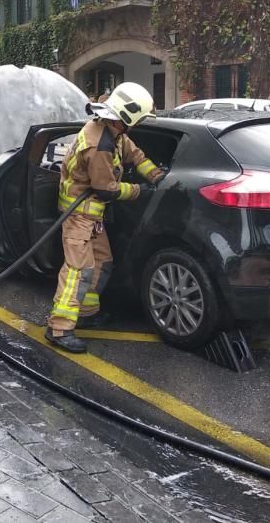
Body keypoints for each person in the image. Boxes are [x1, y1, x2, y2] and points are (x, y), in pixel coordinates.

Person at [47, 82, 166, 353]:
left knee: (102, 263)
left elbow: (135, 155)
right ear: (127, 117)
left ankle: (87, 312)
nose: (136, 126)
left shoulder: (114, 133)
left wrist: (157, 176)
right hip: (78, 216)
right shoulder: (99, 144)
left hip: (93, 217)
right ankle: (59, 328)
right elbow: (106, 189)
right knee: (78, 271)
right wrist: (140, 191)